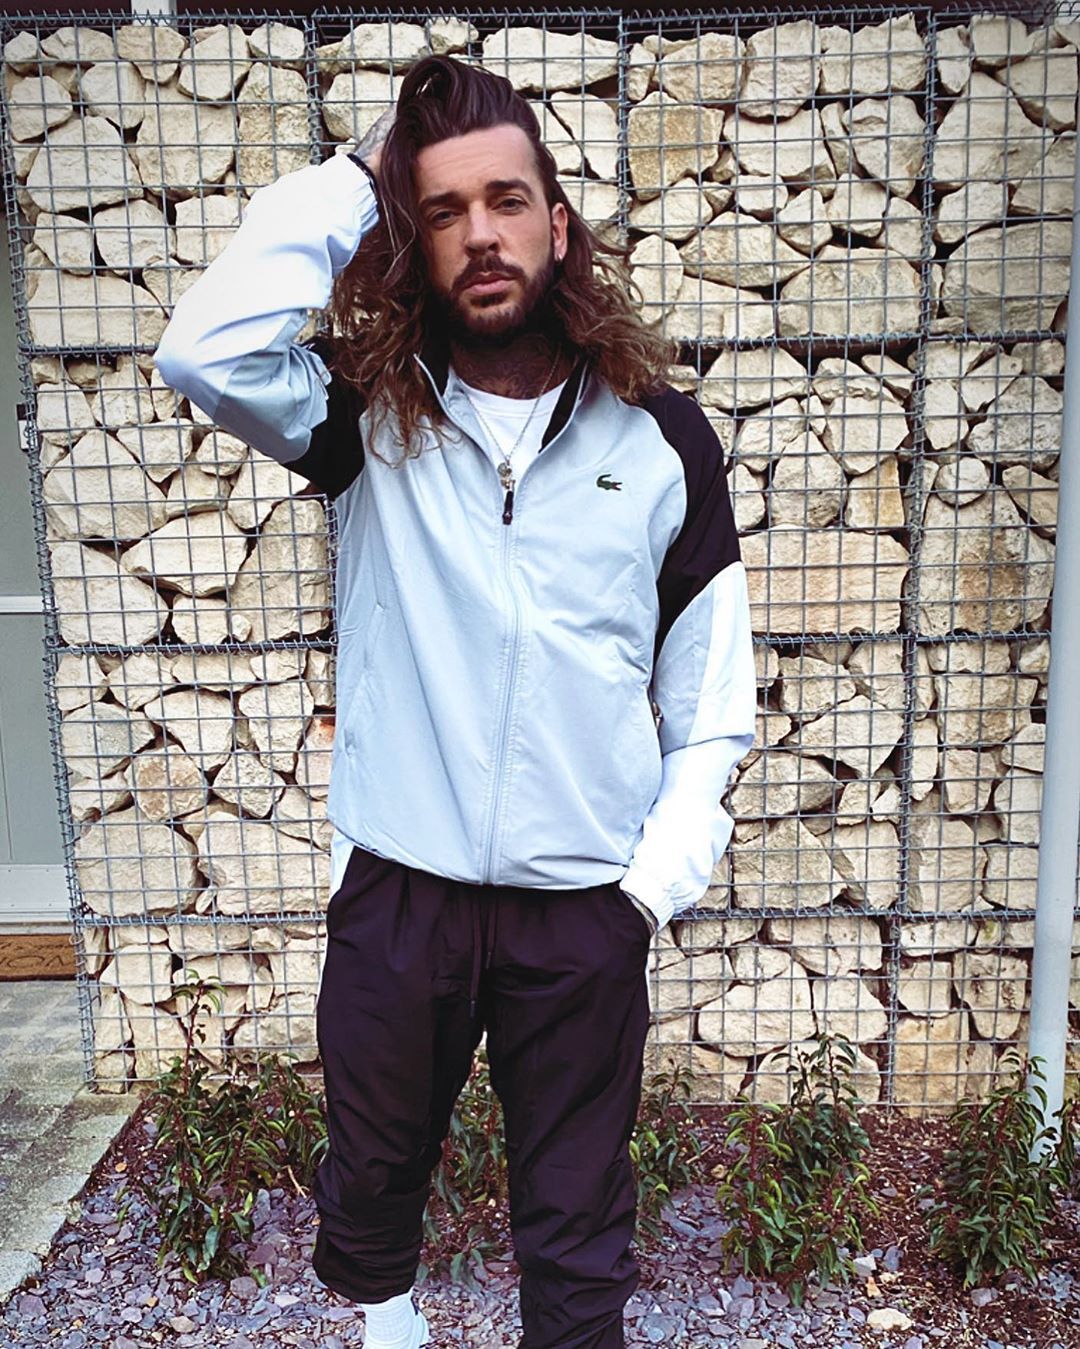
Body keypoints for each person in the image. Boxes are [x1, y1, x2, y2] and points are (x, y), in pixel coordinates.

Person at [154, 52, 755, 1349]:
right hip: (402, 900)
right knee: (370, 1187)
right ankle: (394, 1327)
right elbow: (203, 351)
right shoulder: (367, 419)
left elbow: (710, 704)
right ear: (406, 239)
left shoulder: (664, 441)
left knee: (579, 1236)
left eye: (505, 198)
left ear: (557, 217)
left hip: (580, 909)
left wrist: (643, 888)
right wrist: (359, 176)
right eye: (440, 210)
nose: (480, 232)